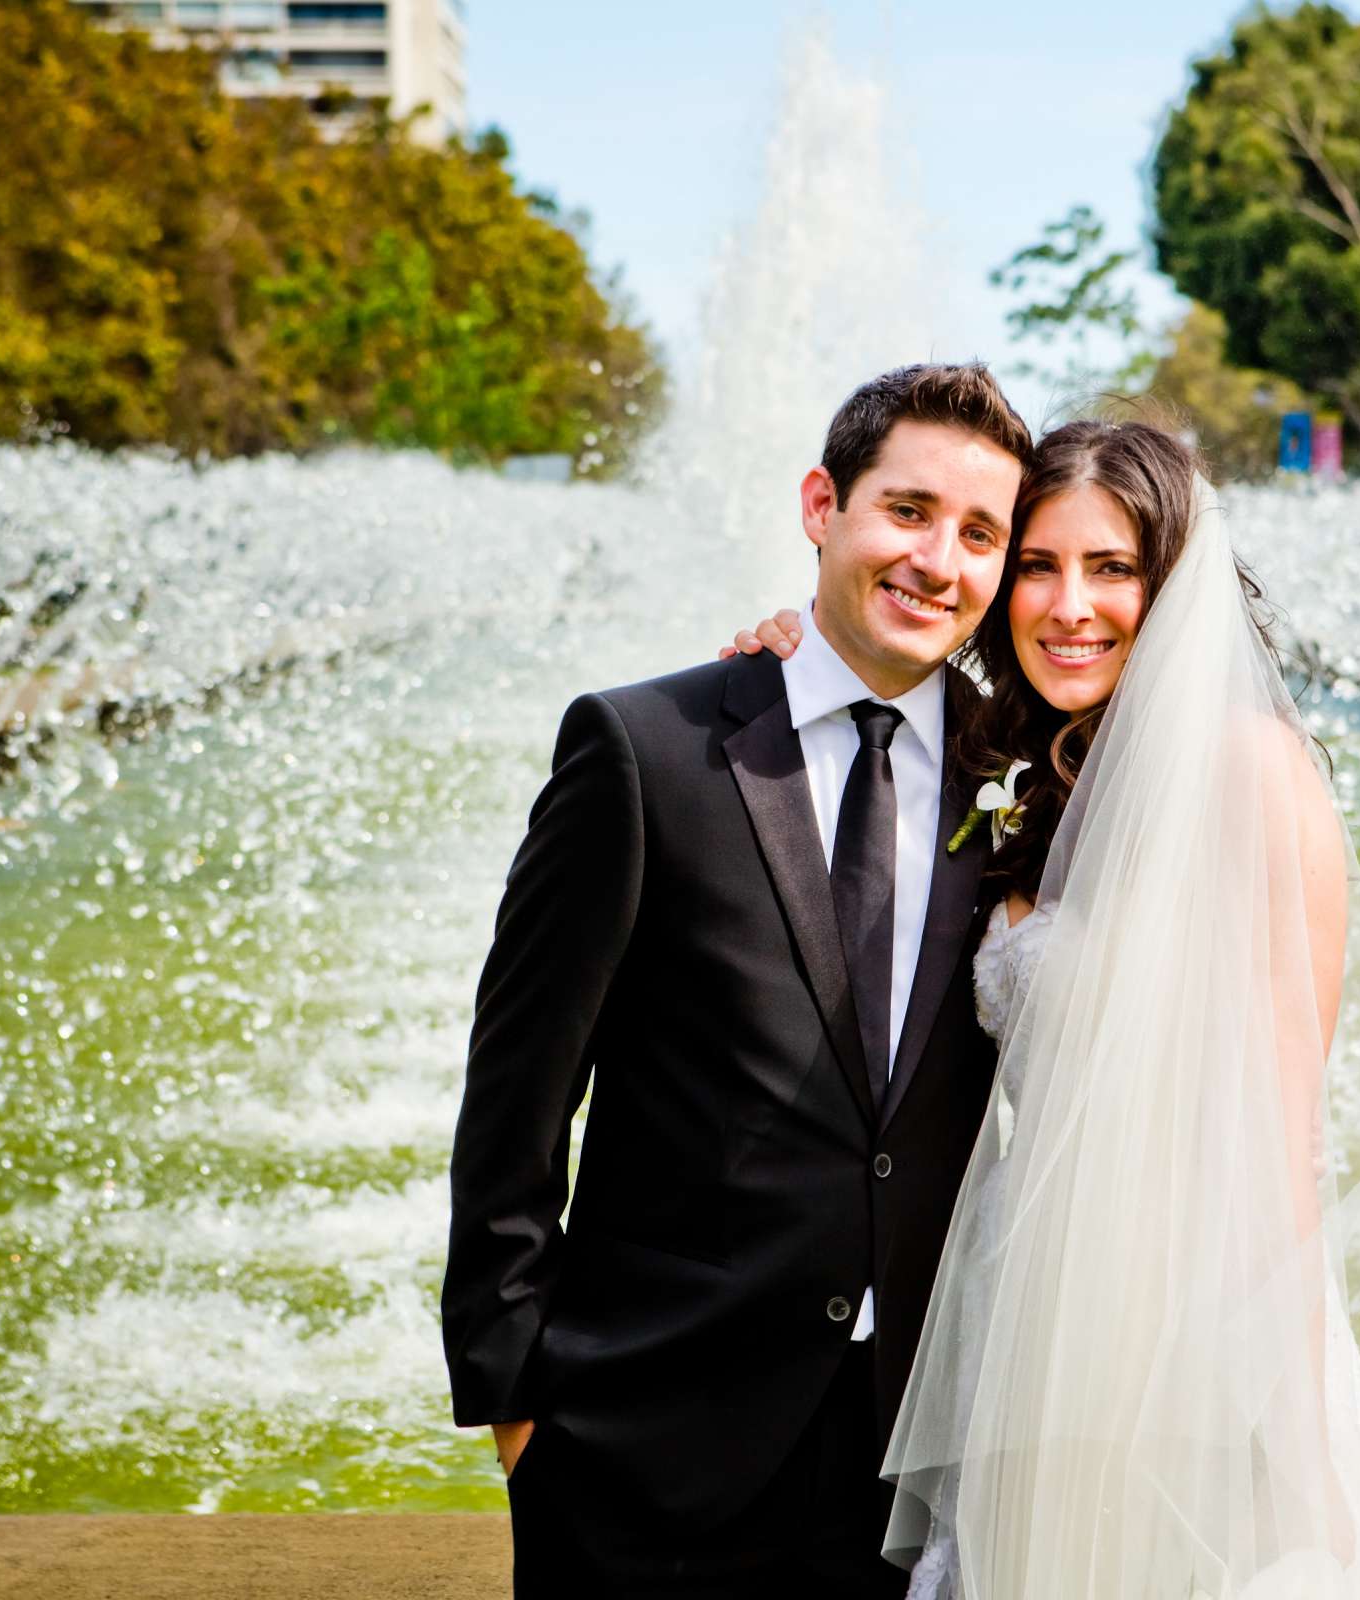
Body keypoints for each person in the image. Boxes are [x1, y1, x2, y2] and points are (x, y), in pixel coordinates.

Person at [726, 418, 1360, 1598]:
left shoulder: (1249, 768)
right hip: (1019, 1303)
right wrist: (788, 640)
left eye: (1112, 568)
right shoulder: (1004, 764)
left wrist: (1296, 1432)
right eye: (1038, 565)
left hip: (1179, 1315)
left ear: (1171, 586)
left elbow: (1282, 1136)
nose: (1071, 605)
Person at [440, 362, 1032, 1596]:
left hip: (925, 1462)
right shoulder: (641, 749)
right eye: (908, 511)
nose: (940, 559)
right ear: (823, 505)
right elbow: (517, 1100)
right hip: (647, 1451)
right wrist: (520, 1410)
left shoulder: (1022, 780)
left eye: (981, 533)